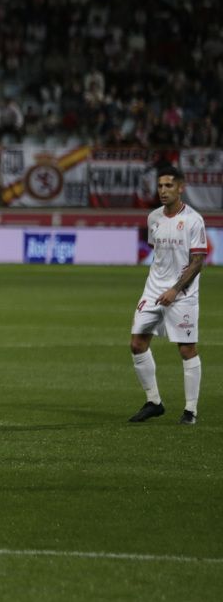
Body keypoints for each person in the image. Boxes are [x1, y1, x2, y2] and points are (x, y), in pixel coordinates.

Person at [128, 165, 207, 425]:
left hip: (182, 294)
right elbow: (158, 254)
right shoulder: (153, 218)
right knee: (137, 344)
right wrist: (161, 287)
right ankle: (154, 402)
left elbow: (198, 261)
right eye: (160, 186)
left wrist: (175, 289)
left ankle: (190, 411)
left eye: (168, 186)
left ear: (181, 188)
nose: (163, 190)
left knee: (186, 349)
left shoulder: (194, 220)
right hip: (153, 289)